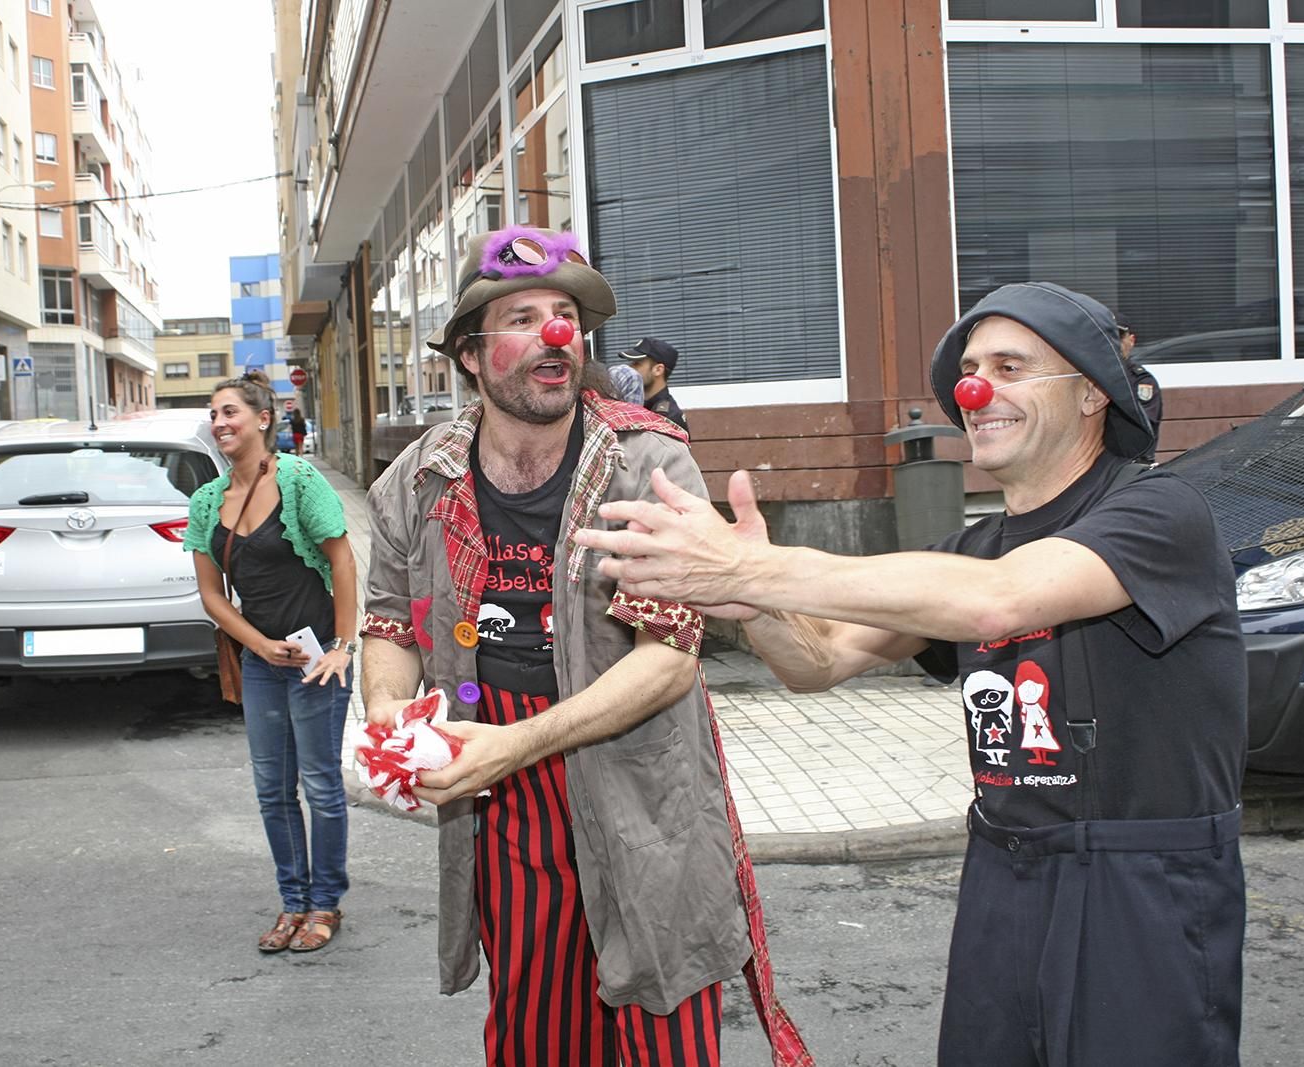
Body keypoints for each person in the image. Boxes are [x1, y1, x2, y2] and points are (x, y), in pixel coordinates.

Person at [576, 282, 1248, 1067]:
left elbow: (1000, 603)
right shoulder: (969, 549)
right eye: (970, 368)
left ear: (1093, 390)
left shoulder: (1162, 512)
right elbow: (817, 660)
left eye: (1010, 366)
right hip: (1006, 873)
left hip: (1144, 888)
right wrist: (745, 593)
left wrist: (758, 564)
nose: (975, 389)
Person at [359, 225, 809, 1066]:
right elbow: (387, 622)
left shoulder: (648, 460)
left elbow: (670, 654)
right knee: (536, 1035)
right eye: (523, 317)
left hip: (639, 783)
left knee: (663, 1029)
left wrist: (516, 745)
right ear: (469, 352)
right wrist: (391, 713)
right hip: (506, 809)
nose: (556, 335)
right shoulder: (418, 480)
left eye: (565, 315)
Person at [186, 369, 359, 955]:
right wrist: (257, 646)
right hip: (262, 660)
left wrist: (343, 646)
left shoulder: (298, 479)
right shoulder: (208, 500)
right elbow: (212, 595)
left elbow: (342, 561)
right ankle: (292, 902)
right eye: (213, 415)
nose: (219, 423)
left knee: (320, 784)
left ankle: (325, 902)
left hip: (317, 659)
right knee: (271, 788)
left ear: (263, 420)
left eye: (229, 412)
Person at [1115, 312, 1162, 464]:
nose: (1114, 343)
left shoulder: (1141, 380)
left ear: (1131, 340)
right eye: (1109, 337)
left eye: (1119, 337)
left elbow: (1140, 425)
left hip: (1131, 466)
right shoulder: (1087, 377)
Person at [619, 336, 688, 432]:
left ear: (658, 370)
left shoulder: (668, 417)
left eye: (637, 364)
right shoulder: (632, 402)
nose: (630, 369)